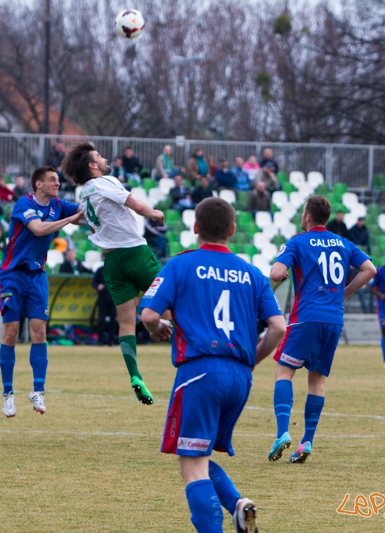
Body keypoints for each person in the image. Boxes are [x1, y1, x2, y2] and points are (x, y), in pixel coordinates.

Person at [140, 197, 286, 533]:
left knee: (191, 462)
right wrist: (252, 361)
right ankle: (237, 505)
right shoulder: (252, 273)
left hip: (200, 372)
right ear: (233, 230)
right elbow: (278, 327)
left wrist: (157, 327)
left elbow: (148, 315)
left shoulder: (180, 265)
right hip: (239, 376)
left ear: (195, 228)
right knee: (198, 453)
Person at [268, 195, 375, 464]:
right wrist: (344, 294)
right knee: (317, 380)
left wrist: (282, 272)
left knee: (284, 371)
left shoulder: (297, 242)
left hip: (306, 317)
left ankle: (282, 433)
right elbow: (370, 269)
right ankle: (307, 441)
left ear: (307, 216)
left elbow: (275, 272)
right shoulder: (344, 243)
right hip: (334, 320)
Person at [61, 142, 166, 405]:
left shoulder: (82, 194)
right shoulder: (105, 181)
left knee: (126, 323)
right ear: (92, 166)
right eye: (100, 157)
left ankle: (135, 375)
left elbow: (93, 228)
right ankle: (187, 349)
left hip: (112, 261)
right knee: (172, 302)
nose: (106, 159)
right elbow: (135, 205)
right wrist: (155, 214)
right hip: (135, 254)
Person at [0, 166, 82, 418]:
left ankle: (38, 390)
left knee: (40, 331)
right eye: (52, 180)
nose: (58, 183)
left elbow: (83, 213)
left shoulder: (58, 204)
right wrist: (69, 220)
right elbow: (38, 229)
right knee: (11, 333)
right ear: (38, 184)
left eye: (58, 179)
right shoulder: (25, 203)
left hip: (37, 276)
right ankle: (8, 394)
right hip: (12, 274)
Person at [92, 266, 117, 346]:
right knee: (101, 320)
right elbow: (94, 283)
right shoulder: (100, 270)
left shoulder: (116, 270)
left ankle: (111, 341)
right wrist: (97, 286)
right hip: (102, 298)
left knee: (113, 320)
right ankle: (100, 341)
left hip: (113, 298)